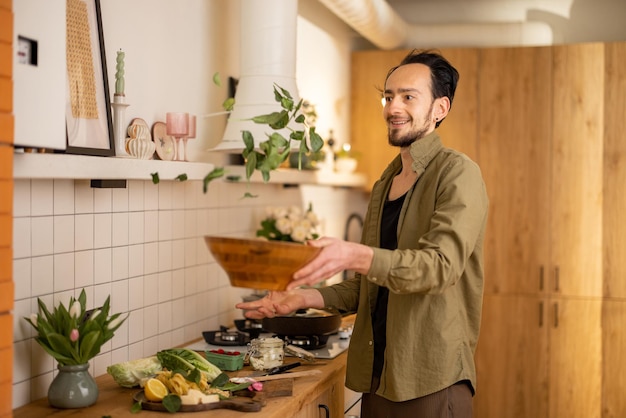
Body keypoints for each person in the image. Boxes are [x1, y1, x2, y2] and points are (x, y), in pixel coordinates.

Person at [236, 49, 489, 418]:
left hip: (431, 383)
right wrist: (301, 298)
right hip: (380, 378)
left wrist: (353, 254)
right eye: (388, 96)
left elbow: (440, 268)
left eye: (408, 97)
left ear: (440, 109)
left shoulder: (457, 174)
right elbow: (369, 284)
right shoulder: (386, 183)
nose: (393, 107)